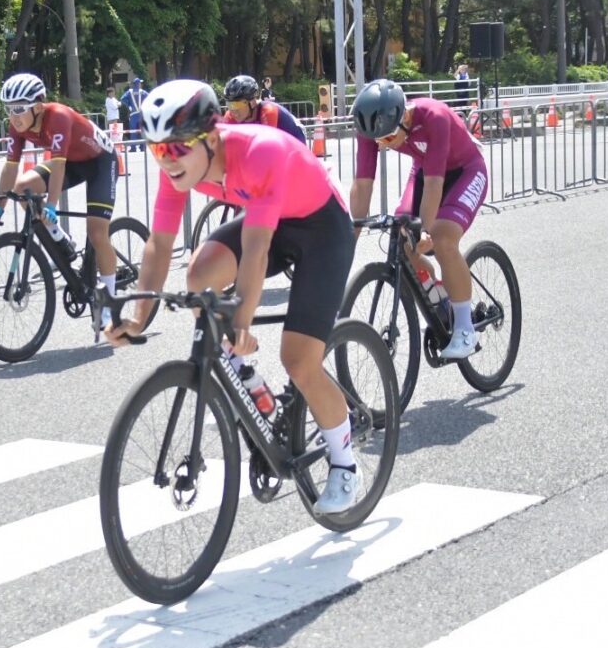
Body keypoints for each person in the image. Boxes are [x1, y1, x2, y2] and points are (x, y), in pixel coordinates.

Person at [106, 80, 360, 514]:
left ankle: (345, 464)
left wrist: (241, 321)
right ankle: (244, 374)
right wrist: (137, 318)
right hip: (271, 218)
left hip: (322, 229)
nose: (167, 160)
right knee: (199, 276)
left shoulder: (260, 151)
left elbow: (256, 249)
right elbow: (160, 245)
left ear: (210, 138)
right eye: (157, 150)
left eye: (176, 148)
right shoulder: (178, 169)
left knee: (299, 361)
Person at [350, 78, 489, 359]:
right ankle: (438, 295)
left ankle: (465, 329)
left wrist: (425, 229)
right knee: (402, 240)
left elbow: (435, 184)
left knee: (442, 239)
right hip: (426, 170)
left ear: (404, 118)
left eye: (388, 138)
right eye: (378, 140)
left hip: (465, 170)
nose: (382, 144)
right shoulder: (371, 127)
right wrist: (350, 235)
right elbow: (363, 184)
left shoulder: (434, 116)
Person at [0, 73, 119, 326]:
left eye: (19, 108)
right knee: (22, 187)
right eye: (9, 109)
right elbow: (10, 168)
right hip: (72, 161)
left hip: (100, 162)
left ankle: (108, 304)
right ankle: (60, 238)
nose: (14, 116)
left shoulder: (59, 117)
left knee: (97, 233)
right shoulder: (16, 126)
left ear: (38, 107)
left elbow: (58, 166)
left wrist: (52, 206)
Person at [222, 75, 306, 145]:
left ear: (252, 102)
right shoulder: (230, 115)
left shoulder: (268, 110)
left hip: (295, 143)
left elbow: (266, 146)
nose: (234, 110)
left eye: (238, 104)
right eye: (230, 105)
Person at [119, 78, 148, 151]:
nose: (141, 84)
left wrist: (129, 105)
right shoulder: (143, 92)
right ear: (138, 84)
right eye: (140, 83)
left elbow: (122, 99)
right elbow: (150, 98)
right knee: (142, 131)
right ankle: (143, 147)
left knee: (133, 131)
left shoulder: (130, 92)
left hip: (133, 114)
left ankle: (133, 148)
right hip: (141, 114)